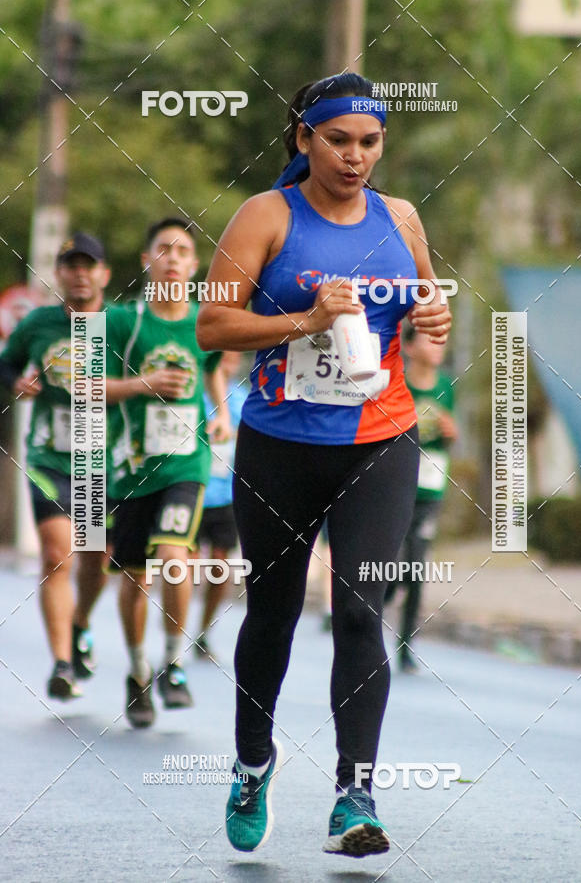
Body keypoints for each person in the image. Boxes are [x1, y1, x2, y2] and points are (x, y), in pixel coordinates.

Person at [197, 73, 452, 858]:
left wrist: (434, 316)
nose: (355, 156)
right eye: (338, 140)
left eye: (369, 142)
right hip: (280, 444)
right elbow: (212, 325)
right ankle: (252, 762)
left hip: (380, 439)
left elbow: (423, 318)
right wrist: (305, 319)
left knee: (360, 611)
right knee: (271, 614)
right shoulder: (266, 216)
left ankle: (355, 796)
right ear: (304, 138)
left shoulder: (400, 218)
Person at [105, 217, 230, 729]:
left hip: (187, 463)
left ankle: (173, 663)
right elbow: (86, 387)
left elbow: (213, 368)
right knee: (135, 576)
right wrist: (143, 385)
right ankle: (138, 671)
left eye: (182, 251)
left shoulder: (205, 321)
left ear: (194, 265)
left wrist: (220, 412)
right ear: (147, 260)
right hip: (132, 469)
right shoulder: (122, 321)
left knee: (176, 556)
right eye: (163, 249)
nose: (172, 258)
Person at [0, 233, 112, 700]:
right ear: (60, 274)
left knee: (97, 558)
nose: (80, 274)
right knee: (55, 555)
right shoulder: (39, 323)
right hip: (49, 457)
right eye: (71, 266)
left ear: (104, 274)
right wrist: (16, 382)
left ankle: (80, 621)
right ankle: (63, 664)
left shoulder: (119, 324)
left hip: (103, 460)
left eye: (88, 265)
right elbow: (5, 365)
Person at [386, 326, 457, 672]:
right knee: (393, 560)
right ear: (410, 347)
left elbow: (448, 437)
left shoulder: (446, 387)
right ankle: (383, 593)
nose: (438, 345)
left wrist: (450, 433)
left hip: (430, 489)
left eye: (441, 340)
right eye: (430, 339)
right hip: (397, 486)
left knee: (416, 567)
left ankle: (405, 646)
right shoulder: (397, 383)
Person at [194, 351, 247, 662]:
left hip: (227, 495)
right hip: (194, 489)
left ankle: (203, 632)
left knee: (219, 567)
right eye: (223, 355)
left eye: (234, 355)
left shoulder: (241, 399)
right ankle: (175, 630)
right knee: (182, 566)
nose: (229, 360)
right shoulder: (194, 395)